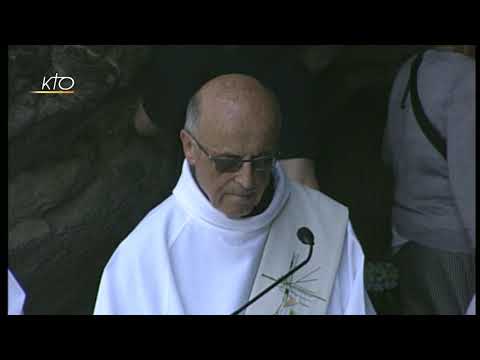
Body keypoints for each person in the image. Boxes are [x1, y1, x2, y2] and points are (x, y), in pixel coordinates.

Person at [94, 74, 374, 315]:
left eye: (263, 161)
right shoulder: (146, 256)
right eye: (228, 162)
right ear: (189, 147)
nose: (247, 180)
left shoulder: (322, 228)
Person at [134, 45, 319, 190]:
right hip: (261, 208)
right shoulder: (287, 71)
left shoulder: (182, 58)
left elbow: (144, 124)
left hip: (201, 198)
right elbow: (301, 180)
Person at [382, 46, 475, 314]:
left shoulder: (408, 69)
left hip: (406, 235)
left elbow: (388, 153)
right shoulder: (466, 76)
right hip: (451, 243)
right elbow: (468, 174)